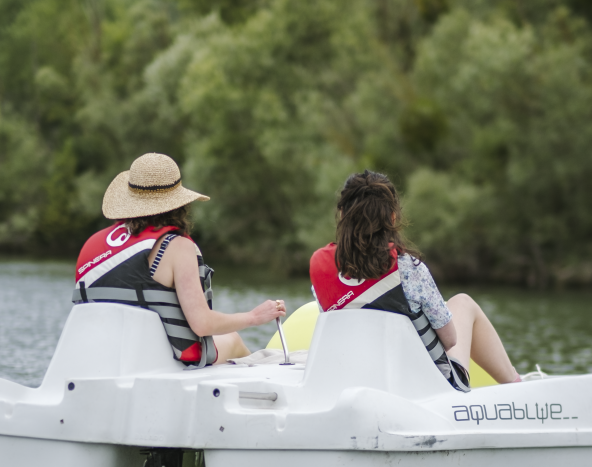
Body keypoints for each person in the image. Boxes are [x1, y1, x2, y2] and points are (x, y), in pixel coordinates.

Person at [310, 170, 520, 390]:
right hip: (428, 388)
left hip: (362, 382)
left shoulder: (318, 268)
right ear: (392, 217)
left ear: (342, 214)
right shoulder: (408, 268)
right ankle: (516, 385)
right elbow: (449, 340)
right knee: (462, 302)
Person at [73, 152, 285, 366]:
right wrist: (253, 317)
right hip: (157, 360)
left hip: (98, 358)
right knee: (234, 341)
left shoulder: (92, 245)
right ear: (179, 204)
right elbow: (201, 324)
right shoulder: (177, 246)